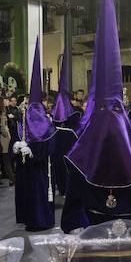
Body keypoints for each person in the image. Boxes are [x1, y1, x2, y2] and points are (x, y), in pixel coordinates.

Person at [61, 0, 131, 233]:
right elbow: (74, 198)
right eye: (104, 108)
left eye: (116, 108)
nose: (110, 115)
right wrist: (78, 228)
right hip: (93, 230)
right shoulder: (82, 152)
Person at [12, 39, 56, 231]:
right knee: (26, 194)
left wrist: (33, 151)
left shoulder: (46, 124)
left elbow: (48, 147)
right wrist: (16, 147)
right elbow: (18, 137)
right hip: (25, 169)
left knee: (38, 194)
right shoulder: (23, 120)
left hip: (38, 169)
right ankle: (29, 219)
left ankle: (41, 220)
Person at [50, 51, 80, 197]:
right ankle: (62, 187)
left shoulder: (74, 114)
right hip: (60, 143)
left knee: (65, 166)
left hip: (66, 143)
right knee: (58, 166)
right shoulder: (55, 116)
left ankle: (66, 187)